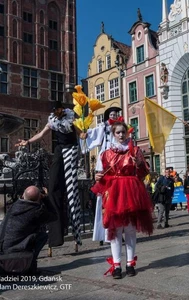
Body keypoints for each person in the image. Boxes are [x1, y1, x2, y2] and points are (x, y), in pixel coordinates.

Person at [15, 101, 81, 248]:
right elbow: (41, 134)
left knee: (70, 191)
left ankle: (75, 230)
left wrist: (84, 133)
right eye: (53, 111)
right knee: (53, 190)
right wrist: (28, 141)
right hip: (59, 150)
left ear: (62, 109)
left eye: (57, 110)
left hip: (71, 149)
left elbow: (80, 132)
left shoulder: (72, 118)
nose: (55, 112)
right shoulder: (52, 120)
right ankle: (56, 237)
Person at [91, 122, 153, 279]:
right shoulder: (105, 153)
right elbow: (100, 174)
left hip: (131, 191)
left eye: (123, 132)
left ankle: (130, 263)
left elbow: (145, 171)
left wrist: (138, 162)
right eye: (117, 132)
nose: (120, 134)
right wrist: (97, 176)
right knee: (116, 230)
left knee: (130, 229)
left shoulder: (135, 150)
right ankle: (117, 265)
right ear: (113, 133)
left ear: (127, 133)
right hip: (114, 193)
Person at [81, 106, 123, 243]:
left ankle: (118, 230)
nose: (114, 116)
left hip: (118, 163)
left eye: (116, 114)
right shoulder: (103, 128)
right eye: (112, 114)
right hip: (105, 163)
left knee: (118, 197)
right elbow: (91, 135)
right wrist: (85, 134)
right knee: (103, 199)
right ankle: (103, 232)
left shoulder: (121, 129)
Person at [0, 186, 57, 274]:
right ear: (39, 198)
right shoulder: (36, 211)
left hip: (2, 246)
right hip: (14, 249)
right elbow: (54, 216)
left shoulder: (15, 205)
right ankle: (30, 264)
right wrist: (46, 199)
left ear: (23, 195)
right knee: (42, 236)